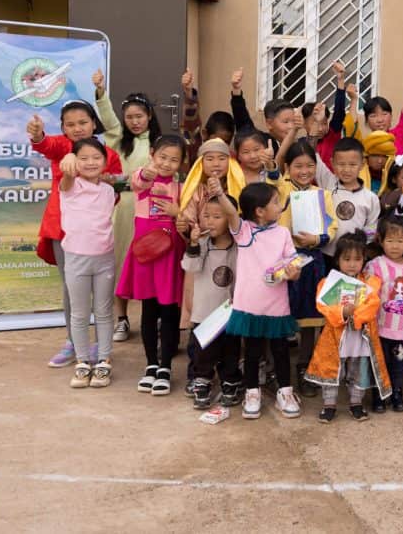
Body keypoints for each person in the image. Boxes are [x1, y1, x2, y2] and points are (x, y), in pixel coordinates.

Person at [28, 102, 123, 368]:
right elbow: (45, 145)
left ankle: (100, 348)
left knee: (102, 297)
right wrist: (37, 136)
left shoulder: (109, 154)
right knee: (72, 290)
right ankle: (73, 342)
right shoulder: (62, 148)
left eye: (83, 122)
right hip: (62, 231)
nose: (77, 128)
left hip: (96, 237)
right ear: (62, 129)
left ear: (94, 123)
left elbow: (115, 188)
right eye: (70, 124)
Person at [218, 182, 304, 420]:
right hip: (250, 306)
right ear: (259, 210)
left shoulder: (283, 232)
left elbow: (293, 261)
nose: (280, 206)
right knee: (253, 351)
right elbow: (230, 212)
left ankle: (285, 392)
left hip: (277, 304)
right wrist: (217, 191)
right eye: (275, 202)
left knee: (280, 349)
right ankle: (252, 391)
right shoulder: (244, 231)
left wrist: (294, 271)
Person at [116, 135, 187, 396]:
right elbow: (139, 180)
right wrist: (149, 172)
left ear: (181, 163)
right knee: (148, 310)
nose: (167, 164)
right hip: (146, 253)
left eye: (174, 160)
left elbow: (186, 216)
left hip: (169, 254)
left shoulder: (182, 187)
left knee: (169, 311)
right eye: (163, 157)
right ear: (153, 154)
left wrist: (175, 210)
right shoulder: (141, 179)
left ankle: (166, 367)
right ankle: (151, 365)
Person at [93, 68, 160, 343]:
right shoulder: (121, 140)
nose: (134, 122)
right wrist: (101, 92)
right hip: (123, 209)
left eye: (139, 116)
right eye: (129, 117)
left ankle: (150, 318)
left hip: (151, 210)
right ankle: (121, 318)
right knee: (120, 260)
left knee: (148, 262)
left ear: (149, 117)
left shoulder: (158, 143)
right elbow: (108, 121)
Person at [272, 134, 336, 398]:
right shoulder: (281, 189)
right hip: (285, 260)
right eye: (298, 166)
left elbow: (332, 226)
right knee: (280, 313)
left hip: (313, 259)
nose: (304, 171)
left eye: (309, 166)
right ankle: (277, 369)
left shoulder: (322, 194)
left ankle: (305, 366)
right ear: (288, 167)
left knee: (311, 317)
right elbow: (272, 173)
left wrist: (318, 238)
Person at [306, 231, 391, 423]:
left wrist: (356, 315)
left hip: (360, 336)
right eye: (347, 259)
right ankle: (329, 405)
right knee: (333, 370)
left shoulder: (370, 282)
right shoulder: (327, 284)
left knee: (358, 370)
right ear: (337, 260)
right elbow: (323, 305)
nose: (352, 264)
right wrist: (343, 313)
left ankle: (356, 403)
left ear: (363, 260)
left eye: (357, 259)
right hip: (335, 336)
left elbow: (372, 305)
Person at [59, 138, 117, 389]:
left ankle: (104, 361)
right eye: (84, 158)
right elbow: (66, 176)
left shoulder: (108, 190)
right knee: (80, 314)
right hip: (76, 258)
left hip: (104, 258)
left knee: (104, 313)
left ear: (105, 161)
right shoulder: (70, 186)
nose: (91, 162)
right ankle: (82, 362)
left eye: (96, 157)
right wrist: (69, 161)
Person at [181, 195, 240, 410]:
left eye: (218, 216)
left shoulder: (239, 246)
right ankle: (202, 382)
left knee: (230, 350)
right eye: (206, 216)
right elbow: (191, 266)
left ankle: (230, 382)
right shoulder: (203, 243)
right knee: (203, 352)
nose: (210, 221)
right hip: (205, 309)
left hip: (230, 309)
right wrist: (194, 243)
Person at [365, 214, 403, 413]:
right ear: (380, 241)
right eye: (390, 240)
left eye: (400, 241)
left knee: (400, 364)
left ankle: (397, 392)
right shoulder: (374, 266)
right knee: (379, 363)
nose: (395, 246)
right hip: (380, 327)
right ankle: (379, 394)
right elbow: (368, 294)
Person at [315, 137, 382, 264]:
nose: (346, 170)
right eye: (341, 164)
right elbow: (314, 156)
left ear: (362, 164)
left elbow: (371, 231)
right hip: (325, 254)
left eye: (352, 164)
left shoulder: (370, 198)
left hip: (352, 260)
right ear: (333, 163)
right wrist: (312, 134)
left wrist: (356, 247)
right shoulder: (329, 182)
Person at [351, 58, 403, 155]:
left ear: (391, 117)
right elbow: (352, 128)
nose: (380, 120)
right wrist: (353, 100)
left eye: (384, 114)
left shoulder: (399, 136)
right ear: (367, 121)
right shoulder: (365, 144)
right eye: (373, 115)